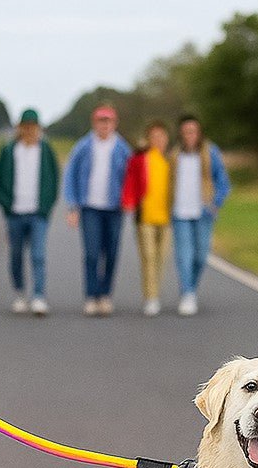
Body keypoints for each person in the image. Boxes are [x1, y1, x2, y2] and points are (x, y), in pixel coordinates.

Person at [62, 105, 133, 315]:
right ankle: (91, 296)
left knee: (111, 253)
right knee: (92, 253)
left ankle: (105, 295)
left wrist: (129, 200)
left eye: (108, 121)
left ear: (114, 123)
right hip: (90, 207)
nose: (105, 125)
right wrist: (73, 206)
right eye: (101, 121)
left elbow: (131, 177)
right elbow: (70, 176)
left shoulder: (122, 148)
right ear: (95, 123)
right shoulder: (83, 146)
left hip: (114, 208)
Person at [0, 108, 59, 316]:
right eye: (26, 127)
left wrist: (46, 206)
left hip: (38, 213)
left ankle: (38, 296)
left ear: (39, 128)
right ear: (20, 128)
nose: (29, 131)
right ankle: (20, 293)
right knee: (16, 254)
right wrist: (6, 204)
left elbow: (54, 179)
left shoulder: (46, 151)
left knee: (38, 255)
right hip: (15, 213)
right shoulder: (9, 150)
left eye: (33, 127)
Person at [170, 115, 231, 315]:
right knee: (184, 255)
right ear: (181, 133)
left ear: (199, 133)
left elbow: (223, 181)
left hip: (203, 212)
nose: (190, 135)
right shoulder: (174, 155)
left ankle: (191, 289)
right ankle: (187, 293)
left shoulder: (210, 153)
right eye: (186, 131)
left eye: (193, 131)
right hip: (180, 213)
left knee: (201, 256)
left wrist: (215, 204)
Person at [121, 120, 172, 315]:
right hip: (145, 217)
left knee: (161, 258)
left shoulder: (170, 160)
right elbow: (130, 181)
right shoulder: (140, 159)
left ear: (167, 139)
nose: (158, 140)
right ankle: (150, 297)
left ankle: (156, 292)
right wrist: (128, 201)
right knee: (148, 257)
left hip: (166, 218)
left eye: (162, 136)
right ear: (148, 139)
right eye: (154, 137)